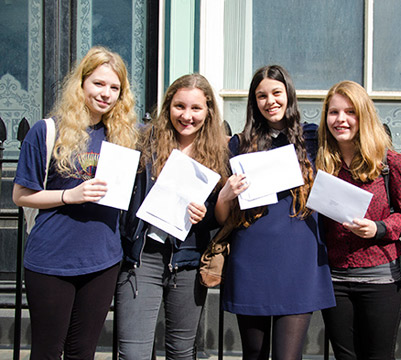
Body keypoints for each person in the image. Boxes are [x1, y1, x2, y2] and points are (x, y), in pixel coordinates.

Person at [12, 46, 138, 359]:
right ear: (81, 83)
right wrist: (70, 195)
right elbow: (20, 195)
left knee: (83, 352)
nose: (106, 94)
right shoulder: (47, 131)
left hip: (102, 260)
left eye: (114, 88)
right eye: (98, 84)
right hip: (52, 259)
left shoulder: (124, 134)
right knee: (47, 351)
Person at [215, 65, 336, 360]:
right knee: (253, 354)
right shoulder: (239, 145)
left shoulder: (314, 139)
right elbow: (221, 218)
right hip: (251, 257)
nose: (270, 101)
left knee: (288, 357)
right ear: (254, 102)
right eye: (261, 96)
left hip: (299, 258)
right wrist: (225, 194)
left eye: (276, 93)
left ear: (289, 95)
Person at [115, 74, 229, 359]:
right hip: (143, 258)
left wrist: (204, 215)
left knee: (181, 352)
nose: (187, 116)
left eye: (196, 109)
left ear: (208, 111)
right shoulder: (143, 142)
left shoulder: (219, 152)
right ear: (167, 107)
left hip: (188, 262)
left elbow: (220, 217)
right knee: (133, 353)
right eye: (179, 106)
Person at [316, 80, 401, 360]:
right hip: (333, 279)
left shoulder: (389, 163)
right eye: (334, 112)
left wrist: (379, 228)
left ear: (364, 116)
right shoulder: (321, 164)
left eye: (350, 112)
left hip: (380, 279)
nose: (341, 119)